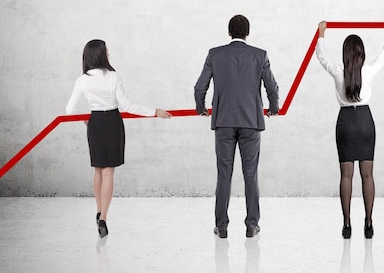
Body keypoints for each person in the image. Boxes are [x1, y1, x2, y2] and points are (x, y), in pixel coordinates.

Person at [66, 39, 171, 238]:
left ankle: (98, 211)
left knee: (98, 169)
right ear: (100, 54)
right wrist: (154, 111)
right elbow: (127, 106)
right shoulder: (113, 76)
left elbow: (69, 110)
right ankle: (104, 217)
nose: (109, 54)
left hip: (95, 123)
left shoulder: (82, 80)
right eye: (107, 51)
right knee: (109, 173)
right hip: (113, 122)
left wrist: (86, 120)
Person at [194, 14, 280, 239]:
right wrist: (274, 108)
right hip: (251, 122)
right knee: (250, 174)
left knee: (224, 174)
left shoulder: (215, 54)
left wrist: (200, 107)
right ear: (247, 33)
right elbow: (272, 87)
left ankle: (221, 226)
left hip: (223, 122)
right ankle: (252, 225)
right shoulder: (259, 55)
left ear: (229, 32)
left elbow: (199, 87)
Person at [315, 20, 384, 239]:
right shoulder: (367, 71)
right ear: (361, 53)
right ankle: (369, 222)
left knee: (346, 176)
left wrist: (321, 33)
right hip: (365, 122)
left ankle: (347, 223)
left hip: (346, 122)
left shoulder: (338, 72)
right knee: (367, 175)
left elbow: (321, 56)